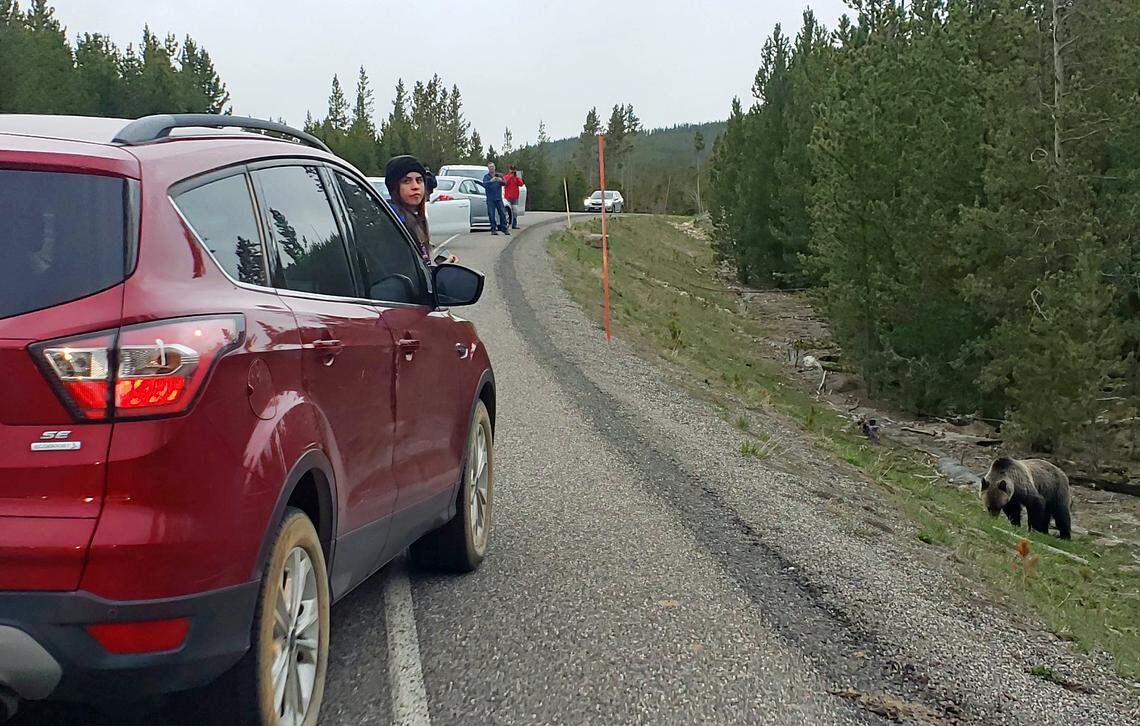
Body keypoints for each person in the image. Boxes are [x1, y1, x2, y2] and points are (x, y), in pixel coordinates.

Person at [385, 155, 458, 265]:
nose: (415, 186)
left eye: (419, 180)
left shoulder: (416, 218)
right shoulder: (393, 222)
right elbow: (404, 273)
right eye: (406, 181)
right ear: (394, 187)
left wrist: (442, 267)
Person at [482, 162, 509, 236]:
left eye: (492, 166)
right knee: (491, 214)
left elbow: (505, 183)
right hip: (490, 199)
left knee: (503, 213)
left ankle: (504, 229)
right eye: (490, 167)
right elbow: (484, 184)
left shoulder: (499, 175)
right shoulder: (486, 177)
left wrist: (500, 180)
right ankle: (493, 229)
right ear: (488, 168)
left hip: (498, 198)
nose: (491, 168)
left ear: (495, 167)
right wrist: (491, 181)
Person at [503, 165, 525, 230]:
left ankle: (514, 224)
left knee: (515, 211)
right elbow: (505, 182)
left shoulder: (516, 178)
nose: (512, 171)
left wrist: (517, 177)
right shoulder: (506, 176)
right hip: (508, 197)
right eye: (511, 169)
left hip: (515, 197)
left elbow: (521, 183)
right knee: (508, 211)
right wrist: (510, 176)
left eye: (513, 169)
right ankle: (506, 224)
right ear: (509, 170)